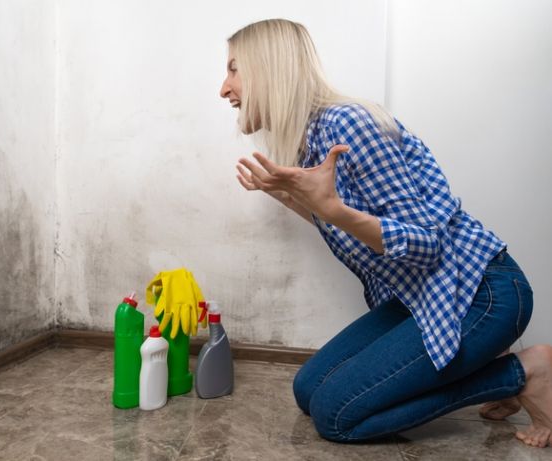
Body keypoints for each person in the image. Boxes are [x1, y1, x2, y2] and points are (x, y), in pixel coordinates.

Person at [220, 18, 552, 448]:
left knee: (336, 416)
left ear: (269, 70)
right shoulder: (311, 139)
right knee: (308, 390)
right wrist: (294, 199)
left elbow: (426, 244)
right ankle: (489, 364)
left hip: (479, 294)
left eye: (233, 70)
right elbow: (351, 229)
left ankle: (523, 374)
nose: (225, 88)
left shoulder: (348, 123)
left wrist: (331, 207)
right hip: (423, 295)